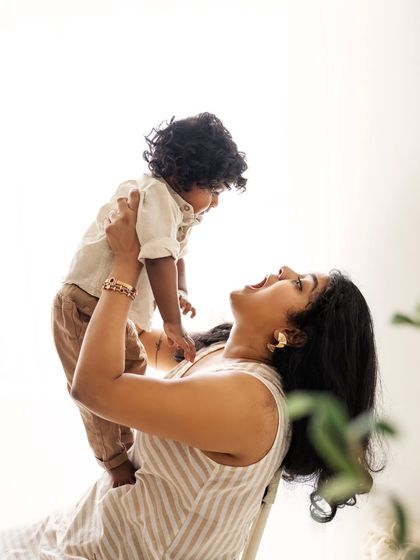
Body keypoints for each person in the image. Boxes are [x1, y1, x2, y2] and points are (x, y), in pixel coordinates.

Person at [0, 191, 380, 559]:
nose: (284, 271)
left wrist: (127, 263)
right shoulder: (217, 352)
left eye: (298, 285)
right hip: (82, 529)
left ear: (294, 335)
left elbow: (95, 387)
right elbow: (122, 339)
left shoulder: (251, 403)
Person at [52, 112, 247, 488]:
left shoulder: (174, 209)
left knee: (132, 373)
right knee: (96, 399)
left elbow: (173, 257)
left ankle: (132, 447)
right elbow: (158, 257)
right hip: (82, 305)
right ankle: (115, 464)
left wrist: (181, 292)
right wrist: (172, 322)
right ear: (184, 175)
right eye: (215, 190)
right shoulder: (155, 195)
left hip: (110, 309)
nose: (216, 203)